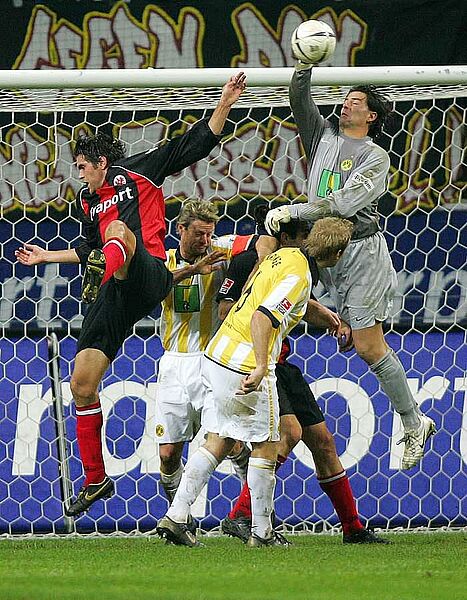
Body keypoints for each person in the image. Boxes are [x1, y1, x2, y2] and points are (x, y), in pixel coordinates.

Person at [15, 72, 247, 517]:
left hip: (150, 272)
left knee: (119, 231)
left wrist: (225, 103)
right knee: (81, 384)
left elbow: (193, 144)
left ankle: (108, 267)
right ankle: (96, 479)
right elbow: (88, 248)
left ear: (101, 162)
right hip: (117, 288)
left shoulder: (137, 172)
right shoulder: (86, 203)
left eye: (82, 165)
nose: (78, 172)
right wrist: (47, 257)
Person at [264, 60, 435, 470]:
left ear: (371, 116)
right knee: (278, 297)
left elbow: (343, 204)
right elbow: (298, 99)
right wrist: (304, 65)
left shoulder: (375, 158)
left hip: (360, 254)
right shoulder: (322, 136)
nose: (346, 104)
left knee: (368, 346)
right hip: (321, 249)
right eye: (345, 99)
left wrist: (294, 209)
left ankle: (414, 422)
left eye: (356, 102)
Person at [156, 216, 353, 547]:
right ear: (337, 253)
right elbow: (263, 316)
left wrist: (327, 318)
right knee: (267, 444)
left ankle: (176, 516)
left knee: (219, 438)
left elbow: (276, 300)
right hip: (245, 361)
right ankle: (261, 532)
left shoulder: (283, 256)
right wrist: (262, 365)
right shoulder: (300, 274)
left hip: (217, 354)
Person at [216, 212, 388, 544]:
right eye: (300, 235)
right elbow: (232, 312)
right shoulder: (252, 261)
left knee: (323, 442)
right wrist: (260, 357)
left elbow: (298, 304)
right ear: (284, 237)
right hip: (255, 361)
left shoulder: (298, 266)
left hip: (282, 362)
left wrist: (332, 320)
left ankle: (352, 528)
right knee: (287, 433)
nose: (305, 241)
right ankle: (241, 514)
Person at [156, 199, 256, 512]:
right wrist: (193, 270)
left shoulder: (221, 250)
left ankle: (247, 510)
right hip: (174, 361)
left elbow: (261, 244)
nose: (205, 240)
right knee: (168, 454)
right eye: (198, 233)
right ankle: (179, 516)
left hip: (212, 360)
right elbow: (153, 288)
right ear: (180, 229)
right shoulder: (163, 261)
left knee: (228, 442)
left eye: (209, 233)